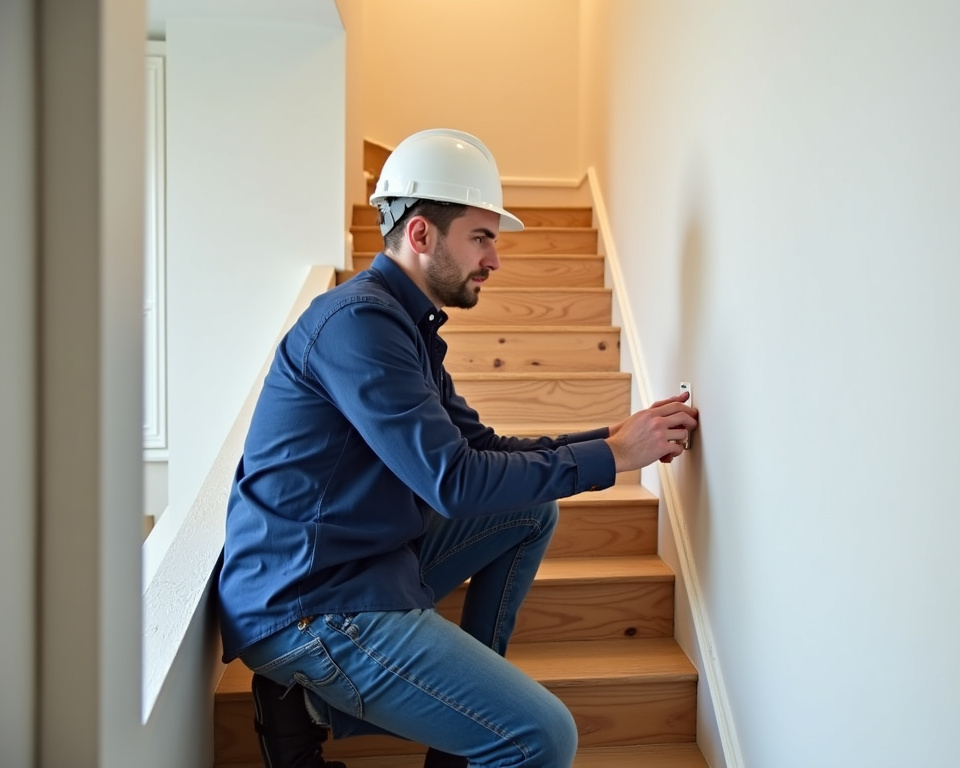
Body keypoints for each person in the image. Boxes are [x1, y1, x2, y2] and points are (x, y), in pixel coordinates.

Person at [216, 128, 698, 768]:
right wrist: (614, 459)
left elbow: (483, 449)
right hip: (309, 602)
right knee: (545, 736)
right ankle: (425, 725)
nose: (495, 259)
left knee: (530, 509)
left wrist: (614, 438)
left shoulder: (404, 326)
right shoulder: (356, 324)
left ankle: (449, 740)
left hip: (357, 561)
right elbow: (454, 481)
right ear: (421, 235)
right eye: (482, 236)